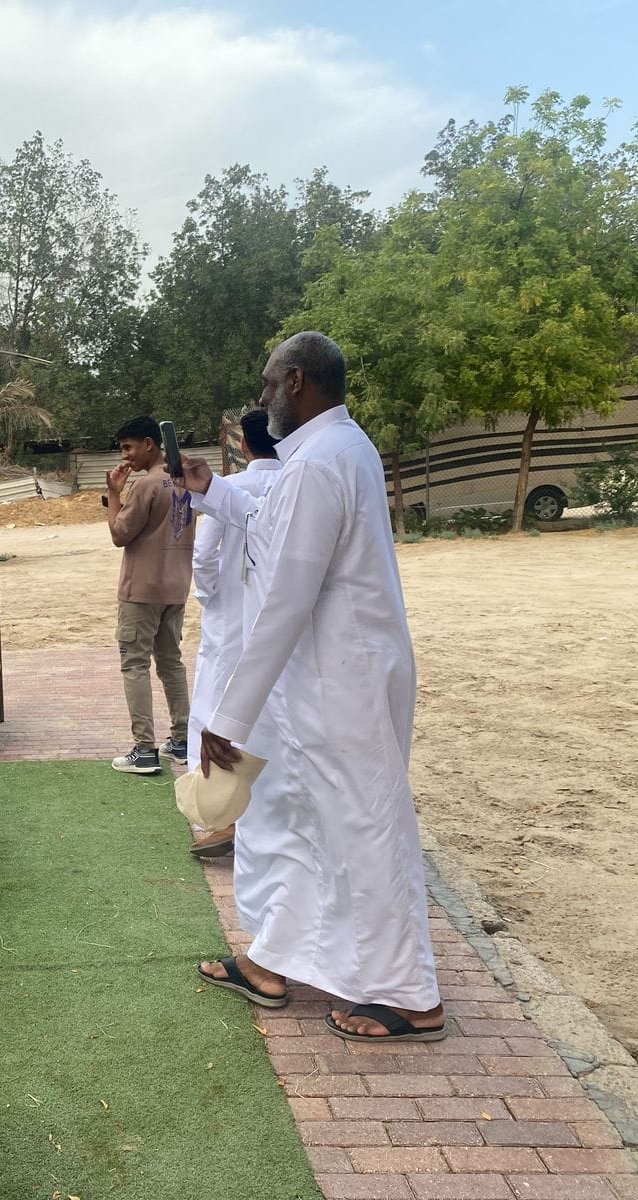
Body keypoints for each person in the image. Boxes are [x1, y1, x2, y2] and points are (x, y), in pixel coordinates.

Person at [181, 332, 445, 1043]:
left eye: (269, 383)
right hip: (330, 680)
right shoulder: (334, 451)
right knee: (301, 820)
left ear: (296, 381)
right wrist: (214, 493)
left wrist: (227, 717)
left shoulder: (320, 462)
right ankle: (271, 962)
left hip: (340, 683)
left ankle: (410, 996)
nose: (262, 397)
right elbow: (275, 530)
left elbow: (284, 600)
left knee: (364, 828)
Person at [185, 409, 281, 858]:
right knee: (273, 704)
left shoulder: (229, 487)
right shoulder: (294, 486)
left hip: (229, 614)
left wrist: (212, 597)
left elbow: (204, 555)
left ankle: (216, 815)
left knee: (214, 704)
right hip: (279, 613)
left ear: (243, 445)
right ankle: (269, 811)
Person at [104, 415, 195, 775]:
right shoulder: (184, 480)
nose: (124, 456)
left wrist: (114, 493)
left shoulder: (146, 485)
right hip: (176, 587)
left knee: (135, 665)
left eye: (128, 447)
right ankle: (182, 741)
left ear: (148, 443)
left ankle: (144, 749)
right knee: (171, 663)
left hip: (141, 591)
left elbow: (119, 534)